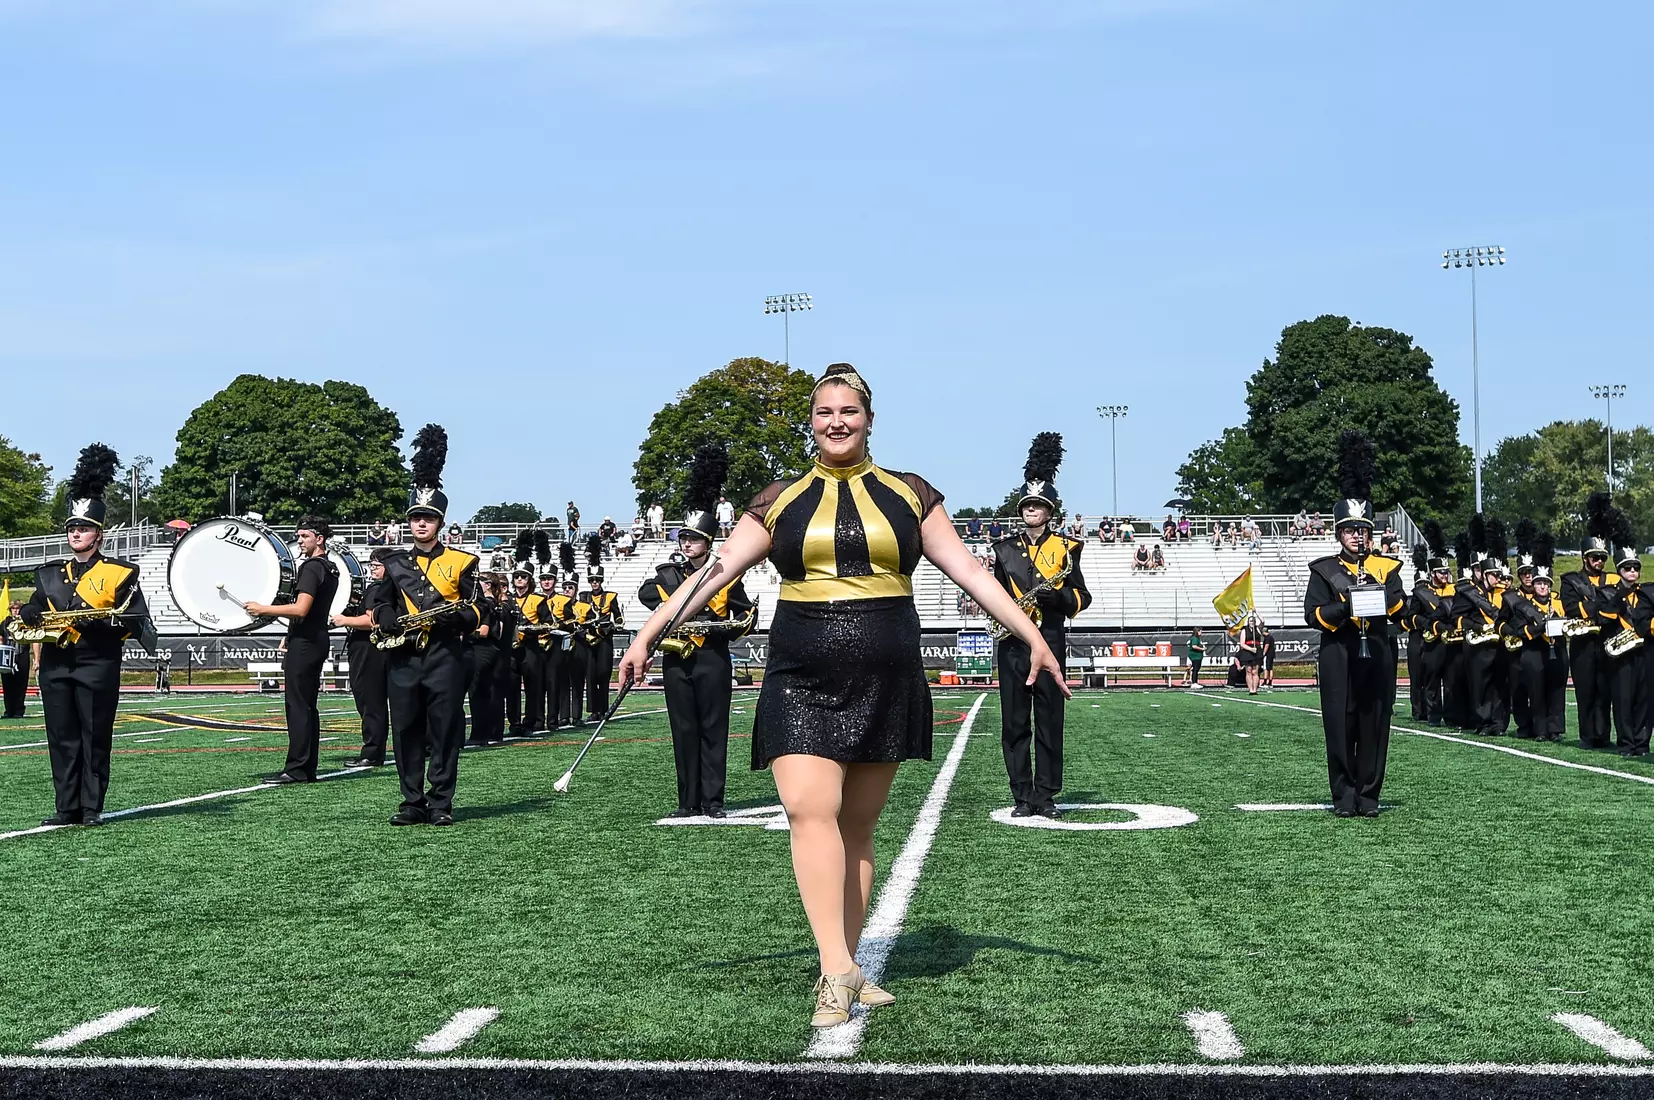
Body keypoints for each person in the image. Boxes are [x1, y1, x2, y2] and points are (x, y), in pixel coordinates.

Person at [619, 362, 1067, 1028]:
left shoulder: (911, 494)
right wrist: (647, 636)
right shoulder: (779, 499)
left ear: (869, 418)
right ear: (812, 422)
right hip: (800, 671)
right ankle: (834, 972)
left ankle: (850, 963)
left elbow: (971, 569)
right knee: (809, 810)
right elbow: (716, 571)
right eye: (825, 412)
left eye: (848, 411)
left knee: (857, 829)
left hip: (886, 673)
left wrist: (1031, 633)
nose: (836, 422)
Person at [20, 443, 155, 827]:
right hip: (57, 664)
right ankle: (66, 807)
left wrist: (103, 624)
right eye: (72, 528)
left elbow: (138, 621)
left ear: (99, 534)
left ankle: (91, 807)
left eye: (84, 528)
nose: (76, 533)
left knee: (94, 735)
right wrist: (28, 613)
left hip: (97, 662)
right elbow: (36, 607)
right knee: (61, 737)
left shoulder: (119, 572)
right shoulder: (48, 574)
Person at [369, 425, 481, 826]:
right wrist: (389, 620)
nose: (420, 524)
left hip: (445, 655)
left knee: (446, 730)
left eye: (428, 519)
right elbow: (380, 604)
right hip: (402, 656)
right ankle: (412, 801)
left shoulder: (463, 561)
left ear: (440, 523)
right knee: (406, 729)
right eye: (416, 517)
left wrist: (456, 615)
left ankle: (441, 803)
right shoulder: (394, 562)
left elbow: (479, 608)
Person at [639, 445, 756, 819]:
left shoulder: (725, 575)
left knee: (713, 730)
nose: (688, 544)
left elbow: (745, 614)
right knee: (683, 731)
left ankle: (714, 801)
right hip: (676, 659)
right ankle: (687, 802)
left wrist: (734, 625)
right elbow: (648, 596)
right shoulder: (666, 575)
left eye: (694, 539)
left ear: (709, 542)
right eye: (683, 539)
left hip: (712, 658)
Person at [1303, 432, 1405, 818]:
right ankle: (1344, 796)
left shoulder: (1387, 567)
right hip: (1339, 653)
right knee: (1339, 723)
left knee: (1375, 723)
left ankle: (1370, 795)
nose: (1358, 537)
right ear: (1338, 533)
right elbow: (1312, 614)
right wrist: (1345, 606)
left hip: (1378, 650)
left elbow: (1401, 610)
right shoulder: (1324, 569)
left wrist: (1380, 594)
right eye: (1350, 531)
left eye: (1363, 531)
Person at [991, 432, 1092, 820]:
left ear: (1049, 511)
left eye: (1039, 504)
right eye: (1028, 503)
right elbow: (995, 595)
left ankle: (1045, 795)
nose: (1032, 509)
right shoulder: (1003, 550)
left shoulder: (1067, 548)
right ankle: (1021, 795)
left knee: (1050, 719)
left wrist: (1061, 600)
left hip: (1050, 639)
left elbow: (1082, 597)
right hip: (1013, 643)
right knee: (1014, 722)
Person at [245, 516, 340, 784]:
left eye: (304, 536)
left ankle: (297, 768)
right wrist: (290, 633)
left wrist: (263, 608)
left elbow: (301, 609)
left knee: (297, 706)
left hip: (307, 643)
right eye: (298, 536)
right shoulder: (330, 568)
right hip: (317, 638)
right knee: (308, 706)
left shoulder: (311, 568)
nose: (299, 541)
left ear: (319, 539)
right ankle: (307, 766)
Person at [1562, 493, 1622, 749]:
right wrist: (1599, 606)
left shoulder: (1613, 580)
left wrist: (1595, 607)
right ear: (1585, 557)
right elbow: (1571, 608)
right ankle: (1588, 736)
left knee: (1605, 690)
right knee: (1586, 690)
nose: (1599, 562)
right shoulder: (1570, 580)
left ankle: (1603, 735)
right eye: (1594, 557)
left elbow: (1618, 607)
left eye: (1602, 558)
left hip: (1606, 641)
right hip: (1584, 644)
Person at [332, 550, 392, 766]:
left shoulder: (378, 588)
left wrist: (344, 620)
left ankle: (372, 752)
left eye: (376, 565)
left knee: (370, 702)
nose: (372, 569)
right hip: (380, 648)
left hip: (369, 648)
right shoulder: (393, 588)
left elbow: (371, 621)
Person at [1603, 539, 1650, 754]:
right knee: (1623, 700)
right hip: (1621, 655)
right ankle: (1626, 743)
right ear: (1619, 570)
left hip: (1644, 653)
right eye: (1627, 568)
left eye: (1636, 568)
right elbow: (1604, 617)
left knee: (1645, 699)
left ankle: (1641, 742)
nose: (1632, 571)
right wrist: (1619, 596)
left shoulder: (1646, 593)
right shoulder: (1608, 593)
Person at [575, 554, 624, 718]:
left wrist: (617, 622)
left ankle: (603, 709)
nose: (594, 583)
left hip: (604, 639)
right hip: (589, 638)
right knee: (590, 675)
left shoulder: (611, 596)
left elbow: (617, 614)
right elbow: (580, 616)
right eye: (592, 580)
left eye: (597, 580)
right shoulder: (583, 596)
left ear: (601, 581)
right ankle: (593, 711)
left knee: (603, 673)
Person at [463, 570, 506, 747]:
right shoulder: (495, 602)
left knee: (477, 692)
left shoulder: (485, 603)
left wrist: (462, 632)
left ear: (487, 585)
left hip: (482, 648)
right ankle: (486, 732)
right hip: (490, 649)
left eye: (478, 581)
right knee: (484, 693)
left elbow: (484, 631)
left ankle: (479, 734)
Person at [553, 568, 584, 726]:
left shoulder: (584, 607)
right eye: (564, 587)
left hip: (578, 645)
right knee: (562, 681)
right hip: (561, 645)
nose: (567, 591)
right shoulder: (557, 603)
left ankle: (577, 716)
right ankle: (563, 715)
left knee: (577, 681)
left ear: (576, 590)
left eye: (570, 588)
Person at [1, 602, 38, 718]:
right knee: (7, 683)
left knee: (21, 683)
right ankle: (9, 710)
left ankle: (18, 710)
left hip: (22, 654)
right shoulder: (5, 623)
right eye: (13, 609)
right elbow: (1, 638)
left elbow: (35, 640)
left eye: (17, 608)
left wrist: (36, 659)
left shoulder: (27, 622)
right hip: (8, 655)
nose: (15, 611)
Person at [1235, 615, 1263, 694]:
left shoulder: (1257, 629)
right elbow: (1242, 644)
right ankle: (1250, 689)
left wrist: (1256, 612)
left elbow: (1263, 621)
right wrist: (1250, 649)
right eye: (1251, 621)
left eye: (1253, 621)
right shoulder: (1244, 630)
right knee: (1248, 671)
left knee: (1255, 671)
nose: (1252, 623)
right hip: (1248, 651)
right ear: (1248, 622)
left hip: (1257, 651)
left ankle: (1255, 689)